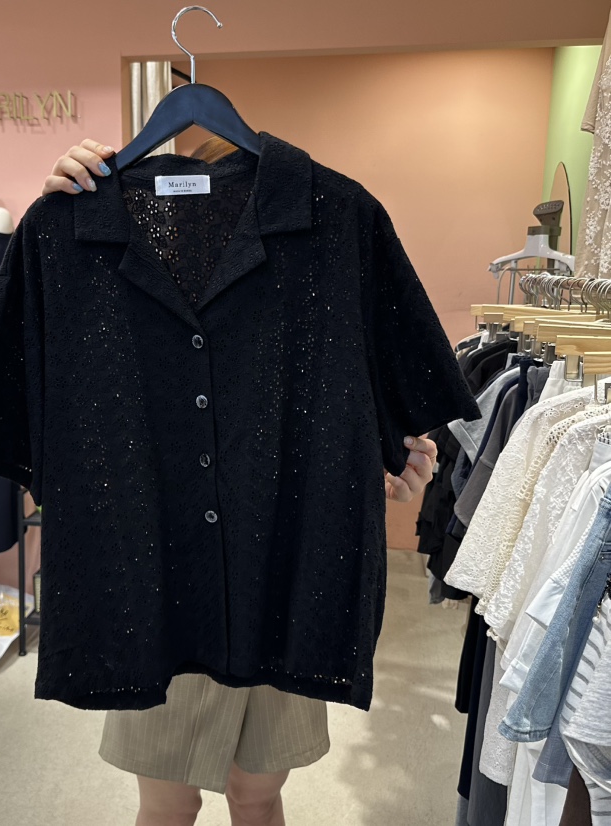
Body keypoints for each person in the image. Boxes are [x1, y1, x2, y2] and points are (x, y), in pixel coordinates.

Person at [41, 138, 440, 826]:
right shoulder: (78, 235)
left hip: (283, 581)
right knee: (167, 802)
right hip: (156, 588)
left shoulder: (339, 226)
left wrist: (391, 449)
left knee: (257, 793)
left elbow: (392, 407)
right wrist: (64, 218)